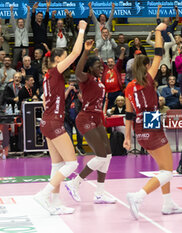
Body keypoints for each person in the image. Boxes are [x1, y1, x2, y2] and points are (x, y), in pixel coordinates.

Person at [123, 23, 182, 219]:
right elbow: (159, 53)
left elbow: (129, 114)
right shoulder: (148, 79)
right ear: (147, 66)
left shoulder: (128, 87)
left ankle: (167, 203)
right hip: (152, 119)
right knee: (168, 170)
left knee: (163, 167)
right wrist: (158, 31)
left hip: (140, 126)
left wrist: (127, 138)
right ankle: (138, 196)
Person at [34, 20, 87, 215]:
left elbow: (43, 100)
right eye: (64, 58)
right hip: (54, 122)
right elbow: (74, 53)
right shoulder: (56, 71)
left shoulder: (48, 75)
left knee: (57, 165)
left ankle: (54, 204)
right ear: (58, 60)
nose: (68, 61)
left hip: (46, 122)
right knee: (72, 163)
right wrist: (81, 30)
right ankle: (44, 194)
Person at [65, 39, 115, 204]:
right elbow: (78, 70)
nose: (101, 68)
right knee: (100, 156)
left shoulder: (99, 82)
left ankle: (99, 194)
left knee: (108, 155)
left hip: (97, 117)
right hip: (85, 118)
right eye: (98, 66)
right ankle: (75, 183)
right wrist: (86, 52)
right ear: (90, 68)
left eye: (102, 66)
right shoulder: (85, 78)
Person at [64, 76, 85, 155]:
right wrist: (69, 89)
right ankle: (71, 149)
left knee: (80, 133)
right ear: (69, 83)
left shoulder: (80, 90)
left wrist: (77, 92)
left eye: (75, 82)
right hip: (67, 116)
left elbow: (83, 100)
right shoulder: (65, 90)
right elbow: (63, 99)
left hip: (78, 116)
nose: (73, 84)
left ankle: (79, 147)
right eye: (72, 82)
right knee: (69, 134)